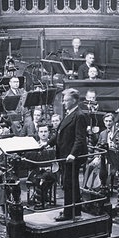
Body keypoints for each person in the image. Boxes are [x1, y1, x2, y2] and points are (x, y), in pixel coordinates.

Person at [48, 88, 88, 221]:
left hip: (70, 157)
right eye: (63, 101)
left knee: (69, 184)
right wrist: (48, 143)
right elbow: (60, 132)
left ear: (75, 101)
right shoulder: (69, 113)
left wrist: (73, 154)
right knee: (71, 184)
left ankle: (68, 213)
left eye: (66, 101)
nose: (64, 103)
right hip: (64, 155)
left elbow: (80, 138)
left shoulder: (79, 115)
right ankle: (74, 211)